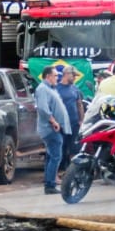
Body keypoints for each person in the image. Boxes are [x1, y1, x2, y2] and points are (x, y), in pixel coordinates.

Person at [35, 66, 70, 195]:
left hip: (53, 127)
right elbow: (43, 109)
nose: (57, 78)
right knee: (56, 156)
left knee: (51, 156)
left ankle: (50, 183)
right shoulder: (43, 89)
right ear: (48, 76)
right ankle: (50, 185)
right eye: (55, 76)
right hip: (49, 128)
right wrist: (54, 121)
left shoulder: (50, 89)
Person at [56, 66, 85, 170]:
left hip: (74, 124)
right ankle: (60, 171)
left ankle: (73, 171)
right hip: (61, 125)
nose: (75, 78)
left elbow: (79, 104)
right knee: (61, 149)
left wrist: (81, 120)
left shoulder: (75, 88)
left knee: (75, 149)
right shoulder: (56, 88)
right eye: (73, 76)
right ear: (67, 74)